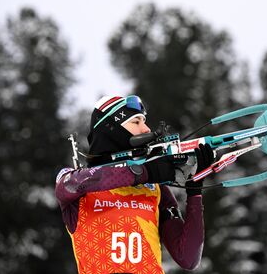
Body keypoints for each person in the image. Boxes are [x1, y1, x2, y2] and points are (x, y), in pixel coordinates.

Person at [55, 95, 215, 274]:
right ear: (111, 128)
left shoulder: (154, 188)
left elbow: (188, 257)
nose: (146, 128)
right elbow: (76, 183)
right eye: (136, 121)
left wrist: (194, 193)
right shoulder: (74, 182)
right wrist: (147, 172)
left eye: (144, 121)